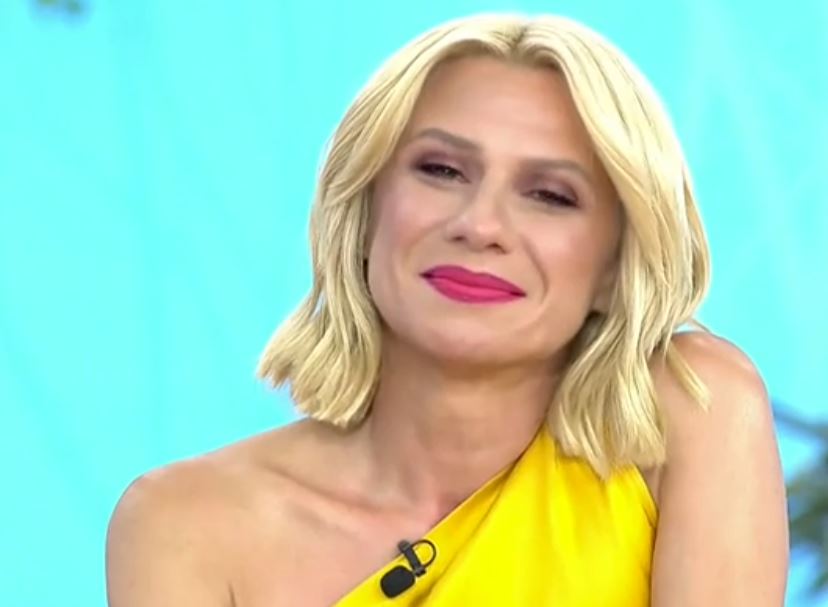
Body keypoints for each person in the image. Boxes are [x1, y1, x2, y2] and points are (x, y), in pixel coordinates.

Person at [105, 13, 789, 606]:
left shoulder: (692, 410)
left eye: (550, 195)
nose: (480, 224)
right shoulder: (185, 525)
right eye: (441, 170)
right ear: (365, 211)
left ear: (615, 268)